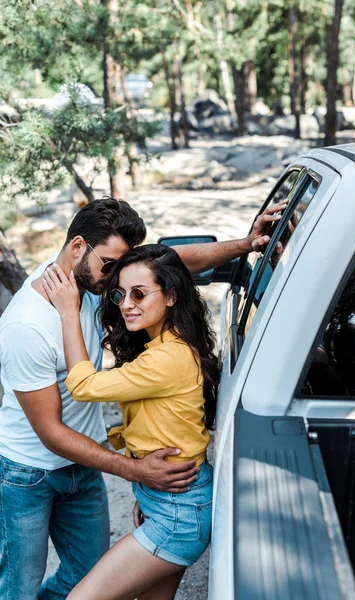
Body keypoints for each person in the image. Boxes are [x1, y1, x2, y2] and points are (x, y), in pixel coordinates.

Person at [0, 196, 286, 600]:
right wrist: (136, 474)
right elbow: (50, 431)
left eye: (126, 275)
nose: (119, 287)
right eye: (112, 270)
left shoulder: (99, 273)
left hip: (85, 469)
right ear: (77, 247)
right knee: (19, 589)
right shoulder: (27, 326)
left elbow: (163, 266)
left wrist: (244, 245)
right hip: (30, 473)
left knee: (81, 580)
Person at [43, 244, 218, 600]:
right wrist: (147, 489)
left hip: (179, 515)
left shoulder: (168, 359)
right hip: (171, 500)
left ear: (170, 296)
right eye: (120, 293)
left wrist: (68, 312)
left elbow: (82, 385)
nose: (125, 304)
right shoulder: (164, 348)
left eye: (139, 293)